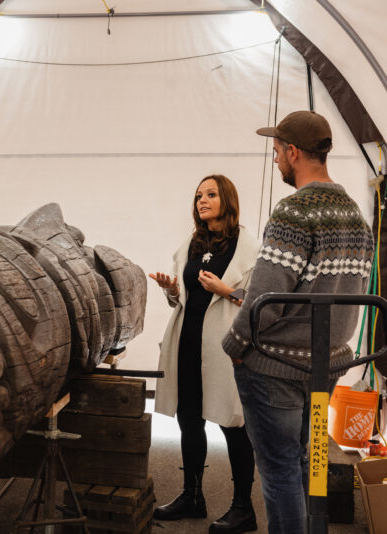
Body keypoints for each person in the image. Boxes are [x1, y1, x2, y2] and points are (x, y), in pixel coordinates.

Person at [222, 111, 374, 534]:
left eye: (276, 153)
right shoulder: (357, 218)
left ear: (293, 152)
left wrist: (234, 347)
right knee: (312, 460)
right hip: (326, 369)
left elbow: (264, 301)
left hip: (275, 369)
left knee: (280, 469)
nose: (275, 161)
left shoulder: (293, 212)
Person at [150, 174, 260, 534]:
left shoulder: (246, 246)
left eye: (211, 194)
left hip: (224, 347)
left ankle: (243, 508)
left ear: (227, 199)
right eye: (198, 195)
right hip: (187, 343)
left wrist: (226, 289)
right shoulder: (192, 244)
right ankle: (192, 496)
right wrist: (170, 290)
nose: (202, 200)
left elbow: (258, 303)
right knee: (189, 419)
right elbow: (183, 299)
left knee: (233, 423)